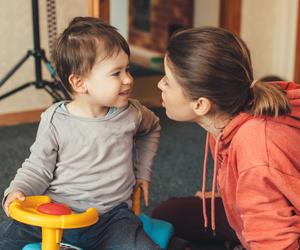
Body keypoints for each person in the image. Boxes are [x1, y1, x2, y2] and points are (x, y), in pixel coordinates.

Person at [0, 17, 161, 250]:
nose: (128, 79)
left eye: (127, 69)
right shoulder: (55, 120)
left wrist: (143, 172)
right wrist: (18, 191)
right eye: (116, 73)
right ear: (79, 82)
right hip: (56, 215)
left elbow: (152, 128)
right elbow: (37, 167)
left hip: (110, 218)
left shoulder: (133, 113)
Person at [151, 26, 300, 249]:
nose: (159, 84)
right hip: (262, 199)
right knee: (167, 214)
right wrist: (231, 193)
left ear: (200, 105)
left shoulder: (255, 149)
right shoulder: (230, 113)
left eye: (168, 81)